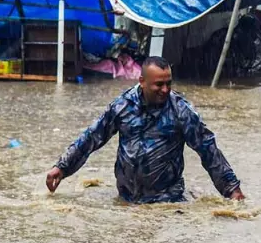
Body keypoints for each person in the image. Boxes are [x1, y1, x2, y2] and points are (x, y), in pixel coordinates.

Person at [45, 56, 245, 204]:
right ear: (142, 82)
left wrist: (232, 190)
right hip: (126, 199)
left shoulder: (181, 111)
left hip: (167, 201)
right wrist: (62, 167)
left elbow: (208, 149)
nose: (165, 90)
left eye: (168, 84)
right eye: (159, 84)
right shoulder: (122, 106)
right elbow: (92, 137)